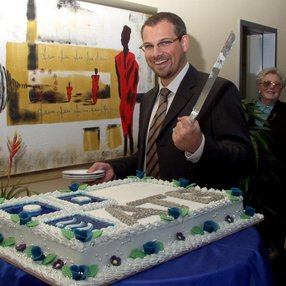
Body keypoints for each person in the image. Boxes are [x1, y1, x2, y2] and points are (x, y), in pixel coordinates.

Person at [89, 12, 254, 190]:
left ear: (184, 43)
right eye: (148, 46)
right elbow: (150, 155)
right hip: (148, 207)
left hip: (192, 210)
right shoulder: (149, 98)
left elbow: (245, 161)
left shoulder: (218, 91)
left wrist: (199, 147)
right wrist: (114, 167)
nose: (156, 54)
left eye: (165, 43)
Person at [248, 67, 286, 285]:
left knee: (274, 226)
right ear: (259, 86)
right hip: (250, 179)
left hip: (278, 180)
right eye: (267, 83)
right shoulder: (247, 109)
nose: (272, 87)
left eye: (276, 84)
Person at [115, 25, 139, 156]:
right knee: (125, 122)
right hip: (123, 98)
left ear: (128, 38)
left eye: (126, 36)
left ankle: (129, 151)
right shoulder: (117, 58)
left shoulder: (132, 57)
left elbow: (135, 78)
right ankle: (126, 151)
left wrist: (131, 93)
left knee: (129, 123)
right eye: (122, 36)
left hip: (131, 96)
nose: (123, 39)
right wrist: (122, 96)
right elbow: (119, 78)